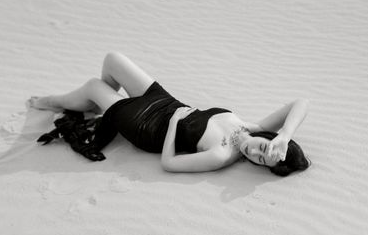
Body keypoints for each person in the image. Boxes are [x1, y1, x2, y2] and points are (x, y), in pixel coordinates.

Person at [29, 52, 310, 176]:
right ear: (268, 138)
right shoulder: (252, 126)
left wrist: (175, 124)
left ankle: (51, 101)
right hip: (164, 101)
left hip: (147, 127)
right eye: (263, 148)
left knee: (94, 85)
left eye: (260, 160)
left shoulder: (222, 155)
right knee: (113, 59)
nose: (254, 153)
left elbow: (169, 164)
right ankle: (98, 106)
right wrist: (285, 135)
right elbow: (301, 102)